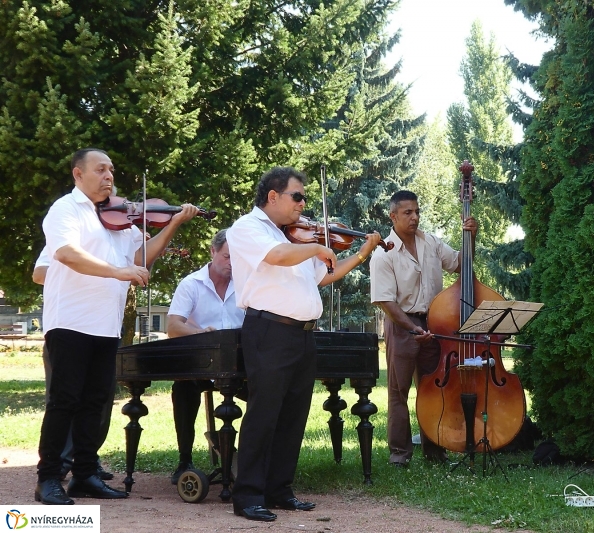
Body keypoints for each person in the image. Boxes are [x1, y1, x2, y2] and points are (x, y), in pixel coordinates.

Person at [35, 147, 199, 505]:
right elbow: (65, 254)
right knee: (64, 401)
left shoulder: (120, 219)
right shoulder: (66, 209)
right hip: (70, 322)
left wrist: (172, 224)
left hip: (106, 325)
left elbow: (141, 258)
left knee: (96, 402)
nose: (109, 176)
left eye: (111, 170)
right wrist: (117, 271)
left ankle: (84, 475)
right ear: (78, 174)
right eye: (100, 169)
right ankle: (47, 478)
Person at [226, 166, 381, 522]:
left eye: (305, 197)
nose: (303, 203)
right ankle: (247, 495)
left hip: (302, 334)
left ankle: (279, 490)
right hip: (269, 331)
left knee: (293, 415)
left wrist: (362, 253)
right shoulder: (248, 228)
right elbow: (276, 257)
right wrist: (316, 244)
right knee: (264, 413)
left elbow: (325, 275)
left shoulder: (294, 238)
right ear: (273, 197)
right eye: (298, 196)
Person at [369, 190, 477, 467]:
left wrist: (470, 237)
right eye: (408, 213)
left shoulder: (430, 242)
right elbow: (385, 301)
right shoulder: (383, 254)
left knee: (433, 390)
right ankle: (400, 455)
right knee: (398, 391)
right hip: (401, 324)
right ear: (393, 216)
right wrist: (412, 329)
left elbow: (459, 264)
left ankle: (435, 452)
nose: (415, 217)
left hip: (434, 323)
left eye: (417, 211)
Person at [166, 228, 244, 484]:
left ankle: (247, 458)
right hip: (200, 364)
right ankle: (184, 460)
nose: (232, 264)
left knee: (267, 389)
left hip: (239, 365)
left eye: (237, 258)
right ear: (212, 252)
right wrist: (201, 333)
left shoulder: (247, 285)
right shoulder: (191, 284)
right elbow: (173, 326)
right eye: (226, 257)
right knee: (183, 390)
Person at [33, 250, 115, 483]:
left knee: (97, 400)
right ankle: (59, 463)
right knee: (65, 399)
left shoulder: (114, 239)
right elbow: (39, 274)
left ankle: (85, 463)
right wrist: (85, 274)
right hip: (68, 327)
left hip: (101, 329)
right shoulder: (67, 236)